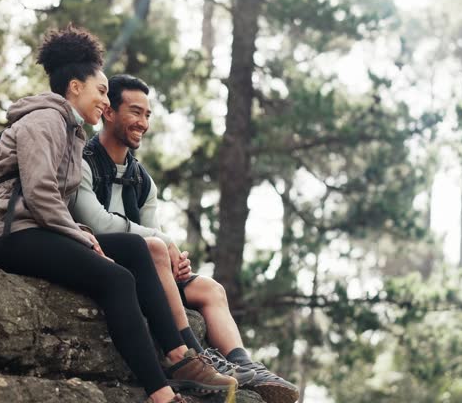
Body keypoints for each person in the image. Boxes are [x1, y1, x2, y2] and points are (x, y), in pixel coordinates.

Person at [0, 27, 237, 403]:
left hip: (29, 229)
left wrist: (77, 231)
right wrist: (80, 235)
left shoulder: (69, 130)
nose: (105, 100)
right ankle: (162, 396)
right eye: (102, 90)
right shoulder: (44, 121)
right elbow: (42, 194)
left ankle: (179, 357)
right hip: (1, 234)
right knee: (117, 280)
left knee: (135, 249)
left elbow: (50, 202)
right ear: (75, 87)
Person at [69, 74, 299, 403]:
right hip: (100, 258)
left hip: (145, 266)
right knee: (154, 246)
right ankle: (192, 355)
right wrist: (163, 243)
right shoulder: (83, 160)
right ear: (109, 112)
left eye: (147, 115)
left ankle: (245, 366)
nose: (143, 123)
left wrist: (176, 261)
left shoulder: (142, 180)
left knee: (210, 289)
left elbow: (151, 233)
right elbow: (96, 222)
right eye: (135, 112)